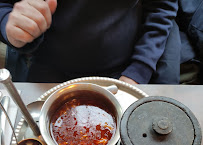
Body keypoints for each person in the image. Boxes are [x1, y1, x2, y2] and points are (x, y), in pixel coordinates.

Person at [0, 0, 180, 84]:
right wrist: (10, 25)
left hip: (125, 69)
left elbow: (161, 7)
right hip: (51, 68)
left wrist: (138, 71)